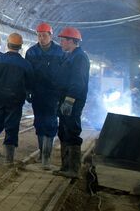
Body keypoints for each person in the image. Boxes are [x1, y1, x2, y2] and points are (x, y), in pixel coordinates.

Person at [0, 33, 33, 166]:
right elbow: (30, 84)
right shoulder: (25, 64)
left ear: (7, 44)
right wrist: (27, 95)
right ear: (20, 47)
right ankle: (8, 160)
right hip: (16, 101)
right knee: (12, 127)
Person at [25, 22, 64, 170]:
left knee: (51, 124)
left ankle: (46, 157)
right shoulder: (31, 52)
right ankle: (42, 154)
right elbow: (27, 73)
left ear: (50, 35)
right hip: (38, 94)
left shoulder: (60, 52)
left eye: (44, 35)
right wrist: (27, 90)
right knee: (40, 123)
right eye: (39, 35)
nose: (41, 38)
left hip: (54, 95)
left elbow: (64, 74)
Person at [53, 27, 89, 179]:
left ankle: (73, 169)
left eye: (63, 40)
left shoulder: (79, 57)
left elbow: (77, 81)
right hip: (65, 99)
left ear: (71, 41)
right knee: (63, 131)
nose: (61, 43)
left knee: (72, 131)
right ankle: (65, 166)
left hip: (72, 101)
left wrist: (69, 100)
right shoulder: (71, 55)